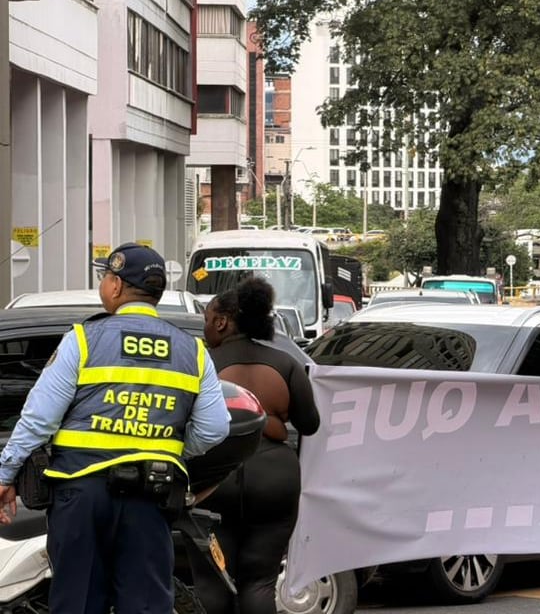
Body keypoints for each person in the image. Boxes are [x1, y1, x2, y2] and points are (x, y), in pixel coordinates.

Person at [0, 242, 230, 612]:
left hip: (81, 493)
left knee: (77, 601)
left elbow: (39, 418)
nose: (103, 285)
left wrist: (6, 472)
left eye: (105, 276)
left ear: (117, 286)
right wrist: (163, 446)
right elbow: (215, 428)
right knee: (145, 605)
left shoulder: (83, 340)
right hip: (151, 494)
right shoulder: (193, 351)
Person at [195, 278, 320, 614]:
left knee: (212, 579)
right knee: (260, 582)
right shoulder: (286, 363)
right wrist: (272, 421)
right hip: (275, 479)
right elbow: (310, 424)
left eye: (207, 320)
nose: (206, 327)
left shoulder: (200, 364)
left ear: (221, 322)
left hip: (213, 480)